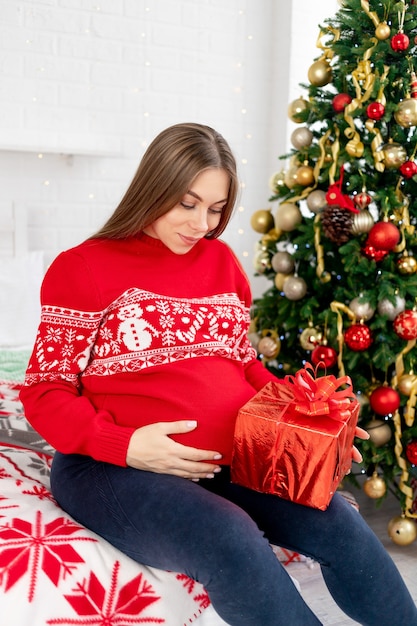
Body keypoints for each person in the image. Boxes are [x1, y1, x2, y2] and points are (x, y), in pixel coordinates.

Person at [20, 123, 417, 626]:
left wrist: (309, 424)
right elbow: (44, 391)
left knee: (337, 520)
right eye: (187, 204)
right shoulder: (82, 268)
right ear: (154, 187)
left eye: (215, 209)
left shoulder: (221, 262)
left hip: (229, 459)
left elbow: (240, 363)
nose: (201, 224)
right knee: (228, 534)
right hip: (111, 470)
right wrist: (125, 445)